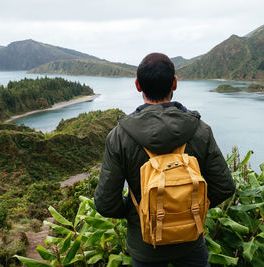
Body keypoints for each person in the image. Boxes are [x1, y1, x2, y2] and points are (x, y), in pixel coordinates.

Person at [94, 53, 235, 267]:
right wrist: (188, 205)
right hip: (190, 241)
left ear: (138, 85)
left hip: (145, 246)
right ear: (175, 83)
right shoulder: (201, 130)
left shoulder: (119, 137)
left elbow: (105, 203)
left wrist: (141, 210)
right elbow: (224, 186)